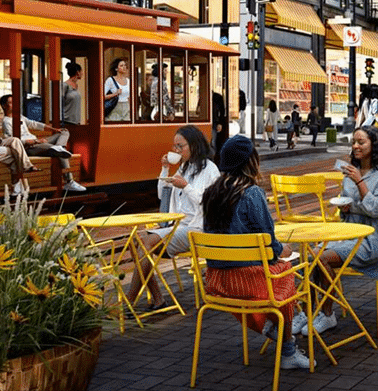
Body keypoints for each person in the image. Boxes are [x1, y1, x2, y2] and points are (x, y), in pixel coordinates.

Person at [200, 135, 311, 370]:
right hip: (248, 283)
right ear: (251, 162)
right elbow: (269, 247)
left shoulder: (210, 193)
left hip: (217, 282)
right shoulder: (252, 193)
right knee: (286, 270)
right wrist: (283, 249)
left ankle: (271, 327)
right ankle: (287, 347)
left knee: (274, 274)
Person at [292, 126, 378, 336]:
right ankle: (309, 313)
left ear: (374, 145)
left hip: (369, 239)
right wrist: (344, 206)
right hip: (344, 232)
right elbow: (348, 204)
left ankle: (327, 313)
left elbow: (376, 210)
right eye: (354, 142)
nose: (355, 146)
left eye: (361, 142)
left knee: (321, 259)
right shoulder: (348, 172)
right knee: (309, 257)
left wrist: (359, 181)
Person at [125, 125, 221, 310]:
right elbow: (163, 194)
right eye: (174, 147)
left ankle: (129, 301)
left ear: (193, 145)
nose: (176, 150)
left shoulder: (210, 170)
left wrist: (185, 186)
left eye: (180, 146)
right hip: (178, 225)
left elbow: (208, 203)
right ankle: (158, 299)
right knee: (134, 241)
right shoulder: (185, 167)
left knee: (146, 243)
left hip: (197, 228)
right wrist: (164, 169)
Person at [0, 94, 83, 192]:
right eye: (11, 103)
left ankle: (59, 147)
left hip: (39, 143)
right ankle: (69, 181)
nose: (15, 105)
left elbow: (34, 124)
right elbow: (13, 141)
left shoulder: (19, 117)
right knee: (60, 152)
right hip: (29, 147)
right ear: (4, 106)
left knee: (64, 132)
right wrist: (36, 141)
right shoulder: (6, 121)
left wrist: (54, 129)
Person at [104, 58, 131, 122]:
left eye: (125, 65)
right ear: (116, 68)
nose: (124, 67)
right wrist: (115, 94)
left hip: (126, 108)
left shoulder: (128, 81)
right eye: (121, 66)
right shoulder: (110, 80)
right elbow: (102, 96)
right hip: (115, 108)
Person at [211, 91, 229, 159]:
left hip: (215, 122)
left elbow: (222, 111)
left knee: (213, 142)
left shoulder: (217, 97)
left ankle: (213, 159)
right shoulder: (204, 96)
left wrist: (220, 123)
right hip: (212, 121)